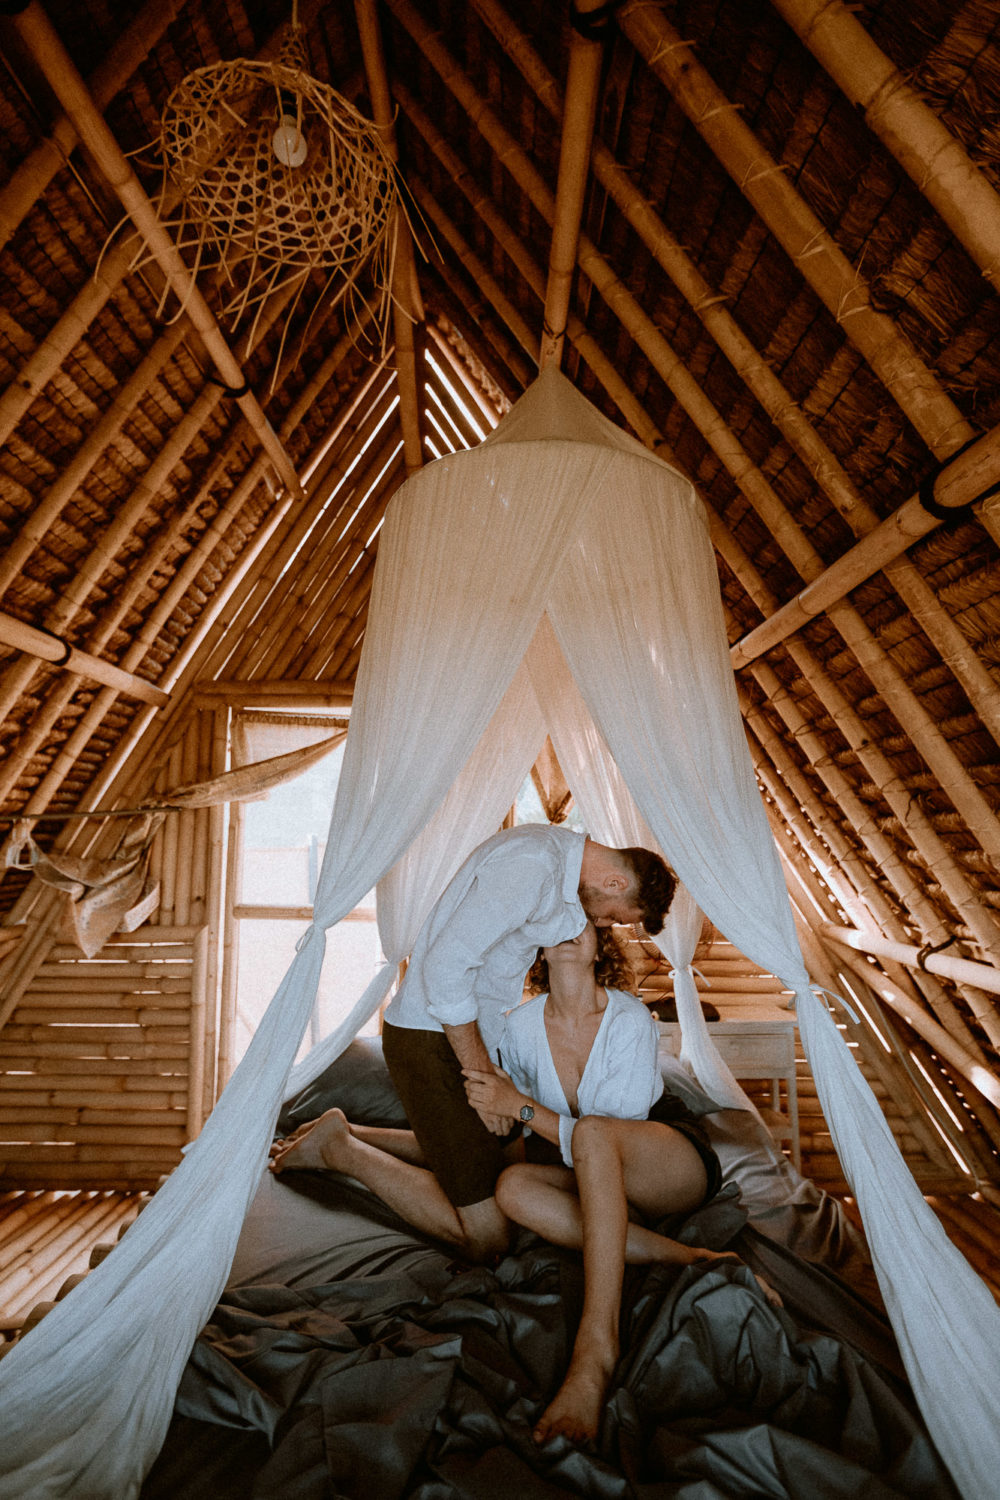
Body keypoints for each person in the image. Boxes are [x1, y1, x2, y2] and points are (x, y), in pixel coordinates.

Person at [270, 823, 676, 1262]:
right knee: (489, 1237)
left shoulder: (554, 866)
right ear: (614, 883)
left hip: (470, 1035)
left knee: (498, 1164)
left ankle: (350, 1131)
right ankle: (340, 1150)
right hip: (431, 1037)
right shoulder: (534, 865)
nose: (600, 923)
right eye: (615, 917)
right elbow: (445, 969)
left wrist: (499, 1082)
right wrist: (482, 1075)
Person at [464, 920, 743, 1448]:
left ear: (600, 947)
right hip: (592, 1174)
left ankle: (595, 1353)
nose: (569, 930)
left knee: (594, 1132)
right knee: (513, 1187)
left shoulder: (629, 1018)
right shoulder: (516, 1028)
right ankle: (688, 1256)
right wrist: (502, 1111)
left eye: (583, 925)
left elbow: (607, 1134)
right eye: (557, 923)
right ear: (540, 950)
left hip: (665, 1163)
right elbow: (523, 1129)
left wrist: (520, 1107)